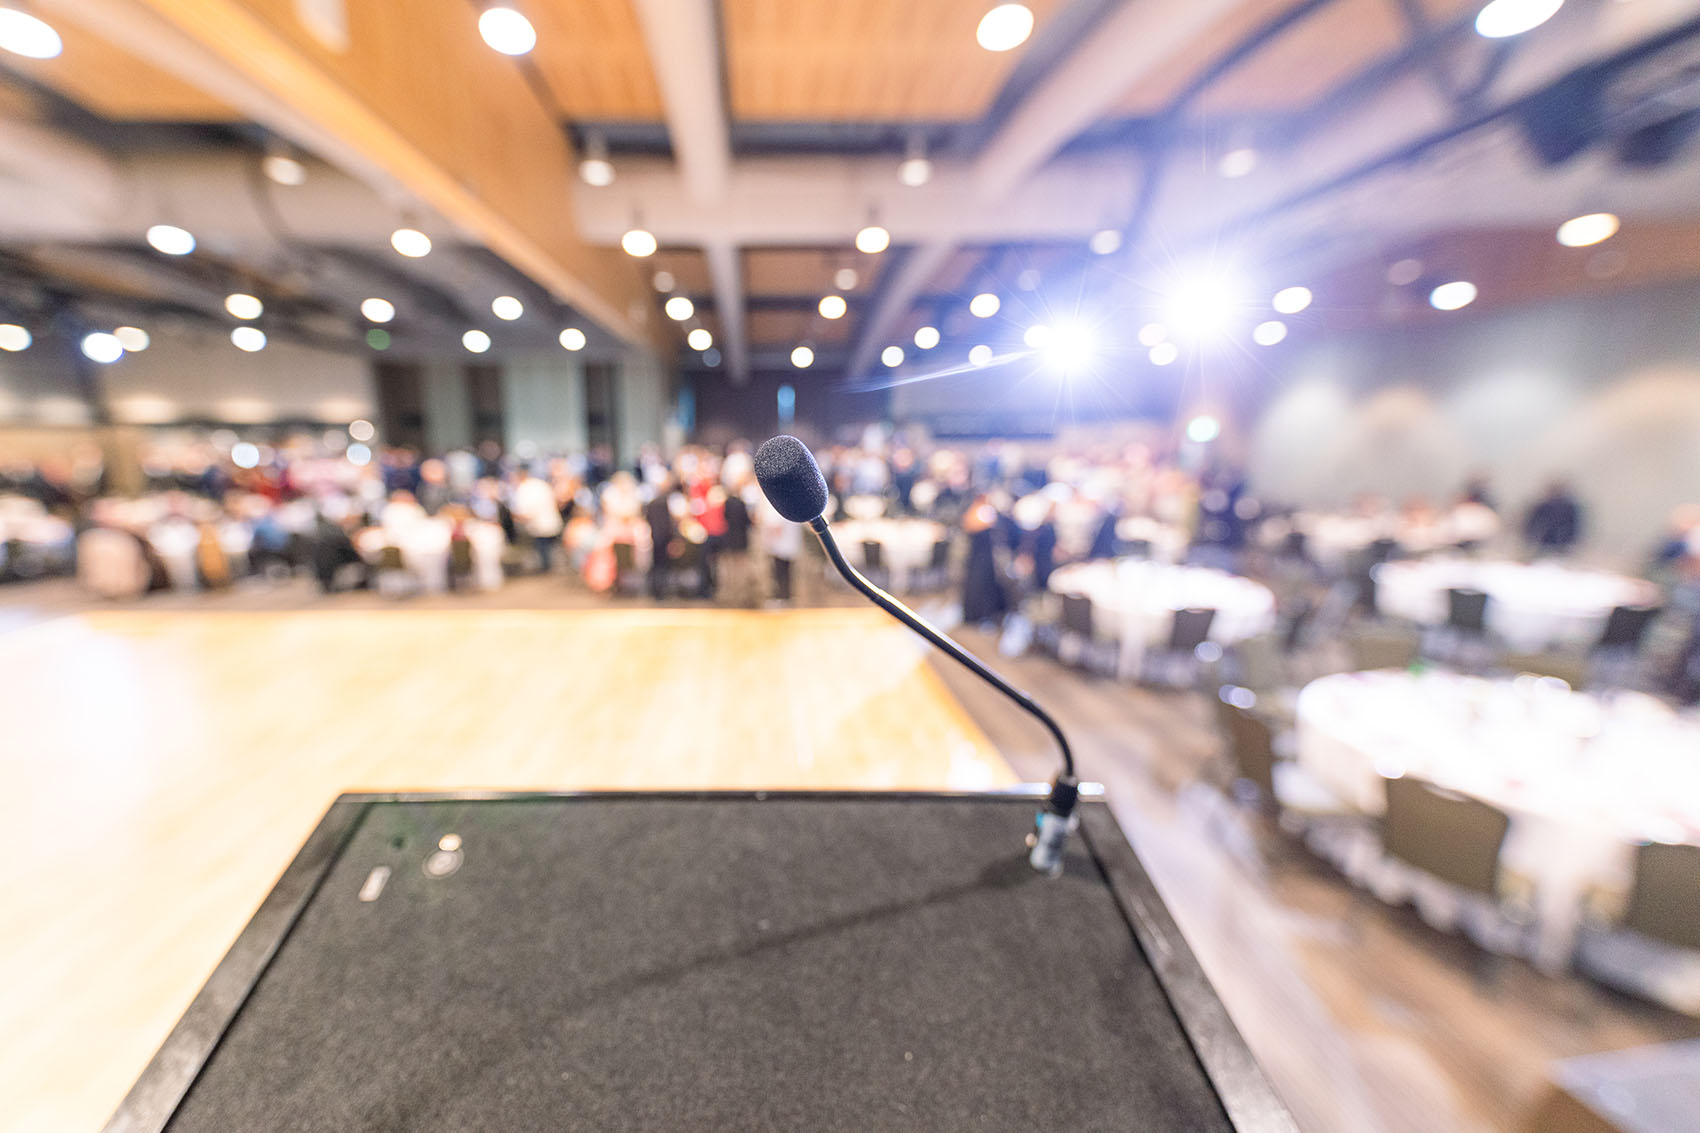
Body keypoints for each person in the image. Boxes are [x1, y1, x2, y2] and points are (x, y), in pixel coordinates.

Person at [961, 493, 1010, 628]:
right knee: (976, 587)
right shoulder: (975, 512)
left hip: (986, 559)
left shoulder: (987, 511)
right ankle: (974, 616)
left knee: (986, 587)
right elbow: (970, 527)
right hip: (977, 558)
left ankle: (985, 615)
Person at [511, 466, 563, 572]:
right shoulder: (541, 484)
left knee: (544, 550)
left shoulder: (524, 488)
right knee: (551, 549)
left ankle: (546, 570)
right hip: (551, 521)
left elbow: (525, 513)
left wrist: (514, 517)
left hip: (539, 525)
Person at [1524, 480, 1583, 556]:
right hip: (1543, 545)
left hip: (1564, 547)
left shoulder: (1569, 509)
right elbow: (1533, 525)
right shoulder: (1541, 507)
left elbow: (1574, 526)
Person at [644, 476, 677, 599]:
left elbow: (648, 519)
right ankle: (661, 590)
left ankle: (655, 590)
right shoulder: (664, 503)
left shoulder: (652, 503)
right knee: (662, 566)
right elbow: (669, 523)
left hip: (654, 537)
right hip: (663, 538)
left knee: (656, 565)